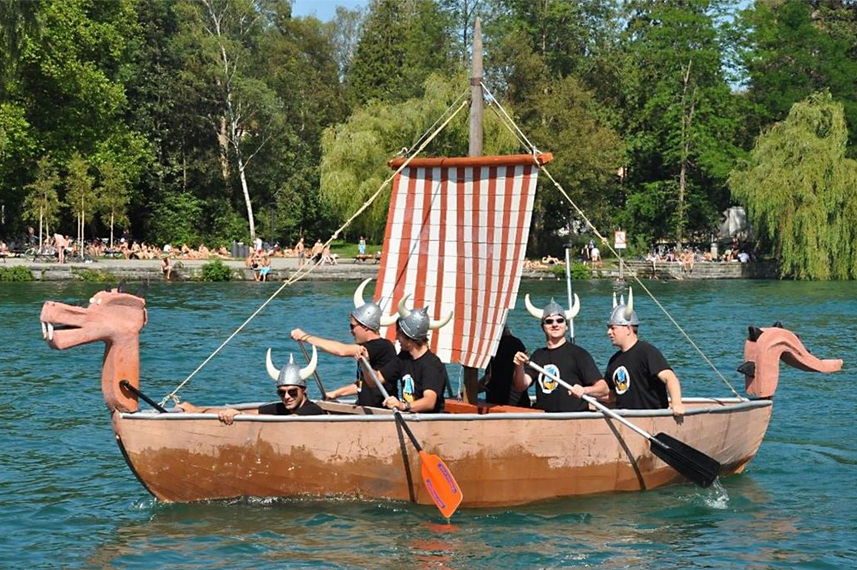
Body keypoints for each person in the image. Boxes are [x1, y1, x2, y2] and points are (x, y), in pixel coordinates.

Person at [291, 279, 399, 407]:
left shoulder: (381, 346)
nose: (350, 331)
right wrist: (336, 393)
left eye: (353, 326)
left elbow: (341, 350)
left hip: (380, 412)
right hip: (364, 409)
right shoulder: (366, 349)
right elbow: (361, 385)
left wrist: (306, 337)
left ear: (365, 327)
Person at [177, 346, 324, 423]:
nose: (286, 397)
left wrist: (240, 415)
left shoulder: (312, 410)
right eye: (281, 392)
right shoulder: (281, 408)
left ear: (304, 391)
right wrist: (196, 410)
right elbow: (255, 412)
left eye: (292, 392)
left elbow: (291, 421)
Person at [512, 295, 608, 412]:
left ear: (566, 326)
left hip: (573, 418)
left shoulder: (578, 354)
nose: (555, 324)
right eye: (549, 321)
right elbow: (521, 385)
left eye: (560, 320)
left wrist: (584, 390)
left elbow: (603, 388)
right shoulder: (538, 355)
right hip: (544, 419)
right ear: (543, 327)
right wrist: (519, 366)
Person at [604, 289, 685, 416]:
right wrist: (587, 392)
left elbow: (670, 378)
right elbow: (611, 395)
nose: (609, 333)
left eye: (613, 328)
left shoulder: (647, 352)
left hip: (651, 418)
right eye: (608, 328)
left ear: (628, 329)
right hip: (625, 420)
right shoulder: (614, 361)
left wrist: (676, 403)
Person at [379, 296, 454, 413]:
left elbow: (429, 402)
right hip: (410, 420)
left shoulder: (432, 364)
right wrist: (364, 359)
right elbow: (376, 379)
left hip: (428, 426)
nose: (396, 338)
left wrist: (403, 406)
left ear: (410, 337)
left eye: (399, 334)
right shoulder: (403, 358)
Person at [481, 324, 530, 408]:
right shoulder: (515, 343)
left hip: (500, 402)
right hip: (517, 402)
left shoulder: (496, 346)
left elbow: (490, 377)